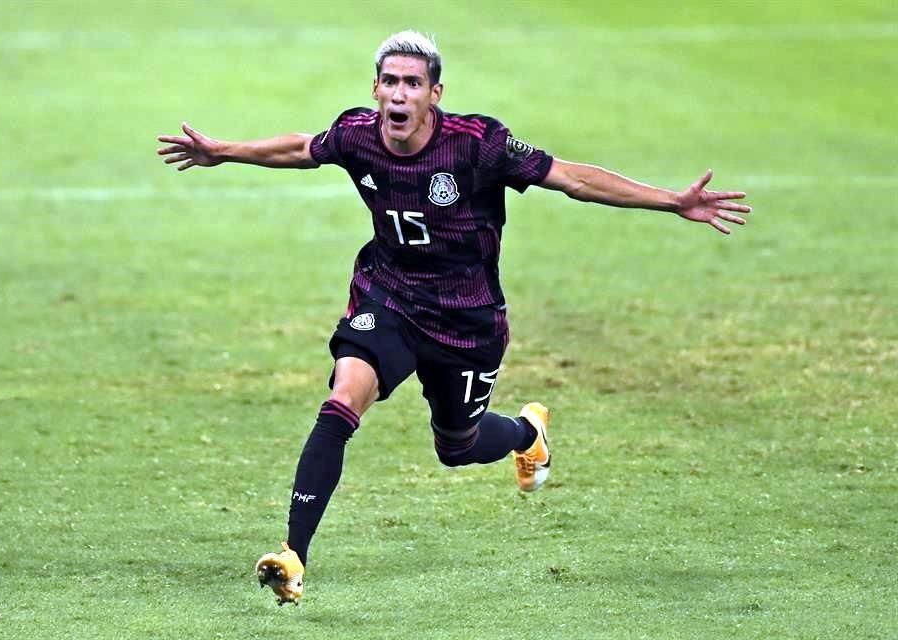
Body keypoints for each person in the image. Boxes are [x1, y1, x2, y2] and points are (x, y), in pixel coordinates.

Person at [156, 31, 750, 606]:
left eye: (412, 83)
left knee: (457, 447)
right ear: (375, 88)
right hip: (386, 298)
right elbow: (300, 148)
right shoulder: (355, 135)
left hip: (467, 323)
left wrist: (672, 201)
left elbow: (571, 178)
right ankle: (293, 554)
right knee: (343, 399)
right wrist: (223, 151)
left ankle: (527, 433)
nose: (398, 94)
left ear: (434, 95)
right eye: (389, 81)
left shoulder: (478, 145)